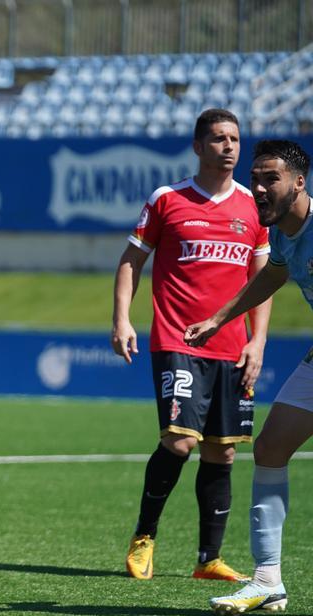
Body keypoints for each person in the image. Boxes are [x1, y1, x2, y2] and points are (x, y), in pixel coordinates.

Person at [111, 108, 271, 583]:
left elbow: (261, 282)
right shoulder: (167, 199)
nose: (229, 147)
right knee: (179, 443)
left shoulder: (252, 207)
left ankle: (208, 559)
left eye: (235, 139)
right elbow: (130, 261)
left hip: (232, 349)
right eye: (219, 138)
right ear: (198, 146)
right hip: (177, 342)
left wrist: (257, 342)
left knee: (222, 453)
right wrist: (121, 319)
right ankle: (144, 538)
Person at [186, 140, 313, 616]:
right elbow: (272, 277)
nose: (257, 187)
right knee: (270, 447)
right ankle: (267, 581)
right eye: (255, 178)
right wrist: (220, 319)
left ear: (299, 182)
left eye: (270, 179)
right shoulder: (281, 232)